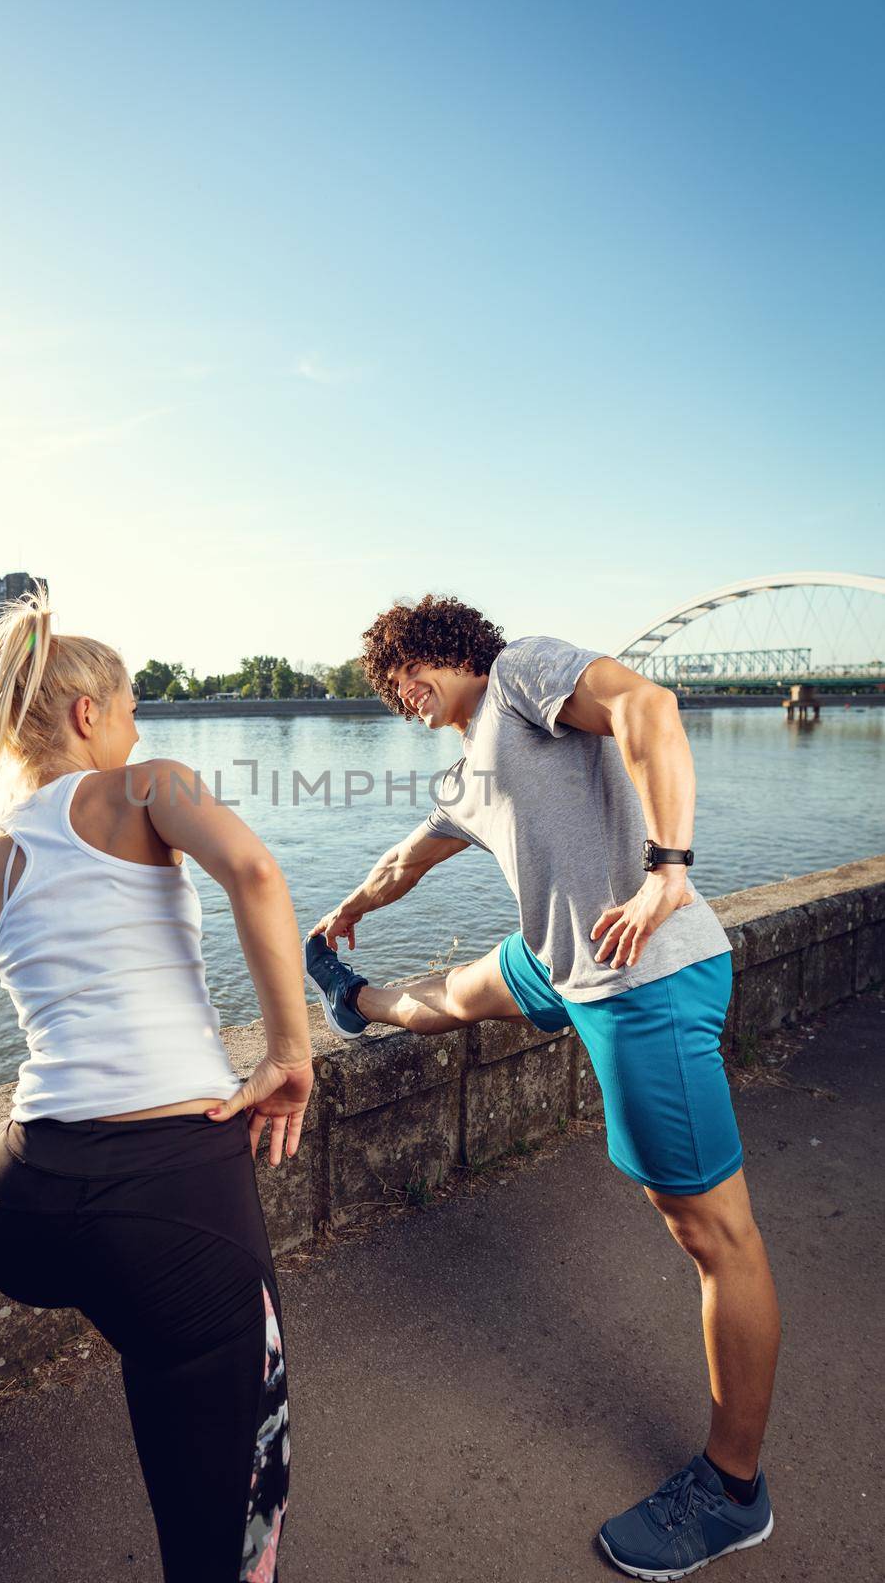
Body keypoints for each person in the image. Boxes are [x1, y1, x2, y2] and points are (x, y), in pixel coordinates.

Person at [305, 594, 779, 1580]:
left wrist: (667, 868)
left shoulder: (519, 674)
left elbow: (648, 708)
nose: (396, 697)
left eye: (398, 676)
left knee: (711, 1236)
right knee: (452, 994)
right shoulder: (468, 761)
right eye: (388, 693)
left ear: (439, 650)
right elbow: (411, 855)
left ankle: (731, 1491)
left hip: (639, 975)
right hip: (563, 961)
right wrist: (353, 902)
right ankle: (356, 1002)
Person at [0, 591, 312, 1583]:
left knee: (145, 1339)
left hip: (25, 1210)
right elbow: (256, 874)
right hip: (168, 1202)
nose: (139, 728)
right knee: (240, 1509)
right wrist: (288, 1054)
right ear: (87, 715)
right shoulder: (146, 788)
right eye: (130, 708)